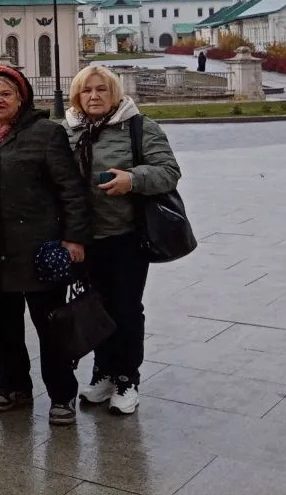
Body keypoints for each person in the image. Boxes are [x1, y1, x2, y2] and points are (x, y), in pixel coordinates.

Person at [0, 64, 91, 427]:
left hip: (39, 248)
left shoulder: (46, 133)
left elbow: (71, 190)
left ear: (21, 98)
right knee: (2, 327)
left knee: (50, 327)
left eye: (5, 94)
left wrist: (74, 238)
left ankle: (61, 394)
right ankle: (15, 382)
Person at [65, 65, 181, 415]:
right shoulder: (68, 131)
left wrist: (132, 179)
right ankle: (104, 371)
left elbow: (169, 171)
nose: (94, 97)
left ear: (114, 93)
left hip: (126, 235)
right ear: (77, 96)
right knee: (94, 309)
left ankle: (127, 377)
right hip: (84, 239)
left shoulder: (139, 127)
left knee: (126, 309)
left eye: (102, 90)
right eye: (87, 91)